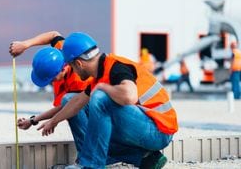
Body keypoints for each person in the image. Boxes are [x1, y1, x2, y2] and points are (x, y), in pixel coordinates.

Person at [38, 32, 178, 168]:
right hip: (144, 126)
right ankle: (142, 157)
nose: (73, 71)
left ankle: (91, 165)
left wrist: (103, 88)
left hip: (159, 130)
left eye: (72, 67)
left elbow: (130, 96)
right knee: (70, 98)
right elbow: (75, 103)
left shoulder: (116, 67)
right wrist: (53, 121)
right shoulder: (99, 74)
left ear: (79, 64)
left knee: (100, 98)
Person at [9, 31, 92, 159]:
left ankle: (88, 158)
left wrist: (48, 121)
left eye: (52, 79)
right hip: (82, 102)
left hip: (105, 108)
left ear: (63, 69)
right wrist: (25, 45)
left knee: (70, 102)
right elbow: (53, 35)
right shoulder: (60, 51)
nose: (51, 83)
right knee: (68, 101)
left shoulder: (79, 79)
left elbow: (68, 106)